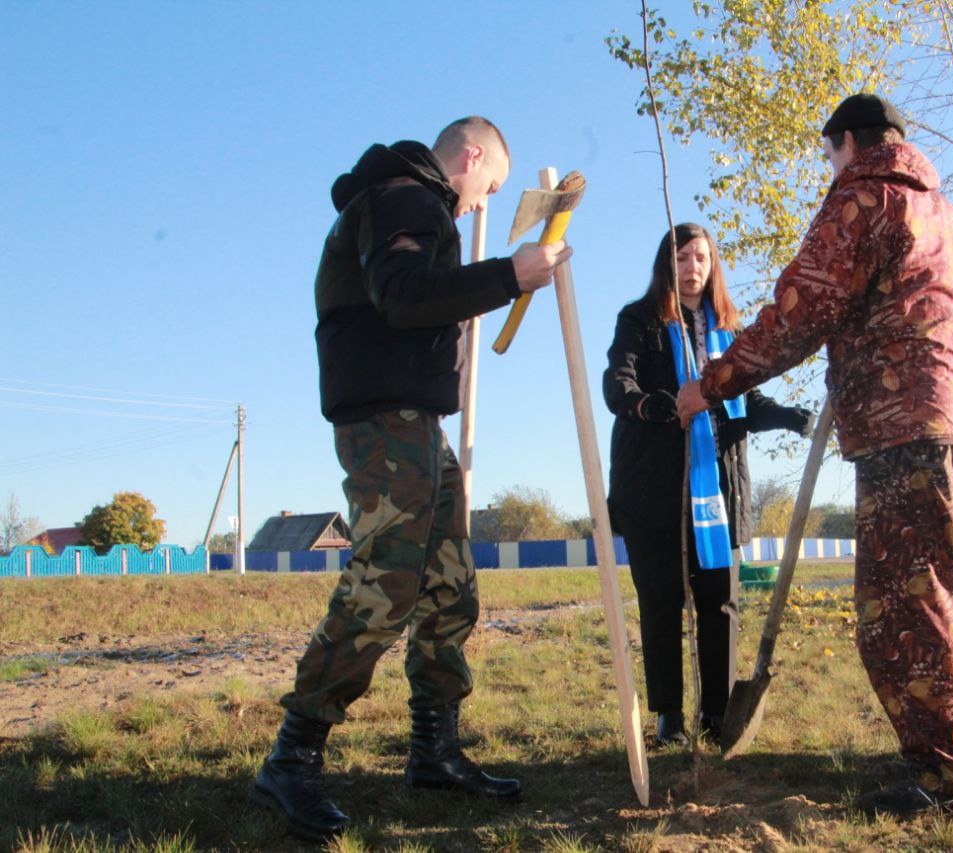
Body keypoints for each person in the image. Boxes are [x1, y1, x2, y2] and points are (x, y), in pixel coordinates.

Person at [252, 117, 571, 841]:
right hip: (384, 420)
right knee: (387, 580)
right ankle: (292, 756)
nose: (477, 206)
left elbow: (414, 294)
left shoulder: (412, 200)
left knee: (449, 584)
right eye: (484, 189)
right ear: (469, 157)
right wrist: (508, 275)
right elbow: (401, 293)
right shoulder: (404, 197)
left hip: (417, 422)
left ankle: (435, 748)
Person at [677, 94, 953, 815]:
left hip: (897, 431)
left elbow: (801, 309)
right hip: (951, 424)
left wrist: (713, 382)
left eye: (830, 153)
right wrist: (886, 334)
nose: (830, 166)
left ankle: (945, 777)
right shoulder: (948, 216)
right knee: (944, 595)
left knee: (898, 611)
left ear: (848, 143)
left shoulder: (862, 199)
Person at [604, 223, 813, 747]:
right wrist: (653, 404)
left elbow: (745, 403)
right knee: (660, 598)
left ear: (712, 265)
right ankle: (669, 716)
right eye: (680, 258)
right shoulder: (639, 320)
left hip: (715, 491)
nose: (691, 267)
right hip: (655, 487)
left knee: (719, 600)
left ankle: (717, 712)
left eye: (700, 257)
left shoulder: (728, 331)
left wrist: (793, 417)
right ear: (665, 265)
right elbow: (618, 384)